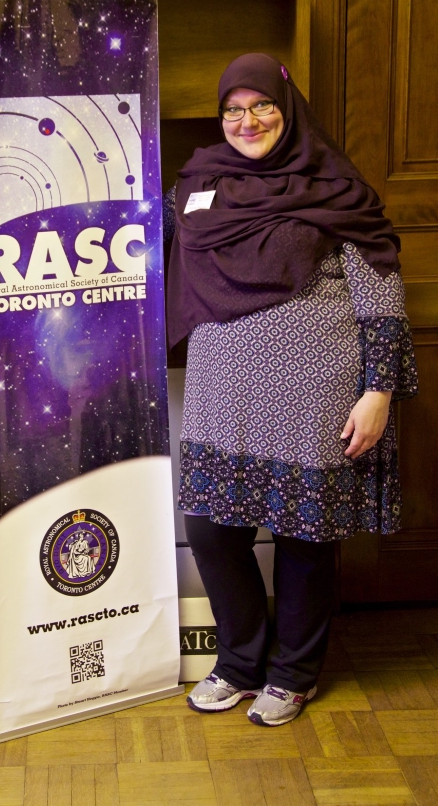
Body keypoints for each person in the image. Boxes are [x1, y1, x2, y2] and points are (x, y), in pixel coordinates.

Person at [166, 53, 418, 727]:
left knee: (306, 537)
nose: (247, 121)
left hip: (315, 394)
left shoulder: (336, 188)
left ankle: (293, 674)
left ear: (288, 107)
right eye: (233, 110)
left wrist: (379, 390)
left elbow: (382, 288)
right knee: (213, 533)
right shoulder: (201, 185)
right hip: (223, 396)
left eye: (262, 106)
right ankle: (241, 661)